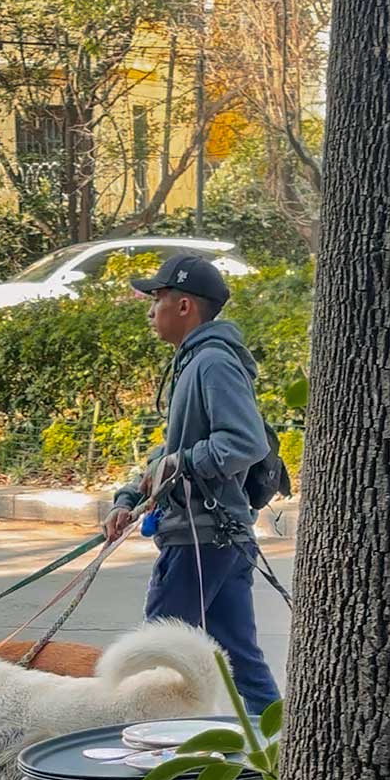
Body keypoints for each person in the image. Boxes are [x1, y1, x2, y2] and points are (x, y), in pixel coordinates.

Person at [104, 253, 280, 715]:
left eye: (157, 298)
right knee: (239, 659)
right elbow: (174, 450)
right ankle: (277, 748)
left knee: (154, 655)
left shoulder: (212, 363)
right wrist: (129, 497)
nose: (150, 310)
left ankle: (154, 748)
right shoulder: (197, 362)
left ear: (184, 306)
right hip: (220, 536)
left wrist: (181, 462)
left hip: (200, 537)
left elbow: (244, 442)